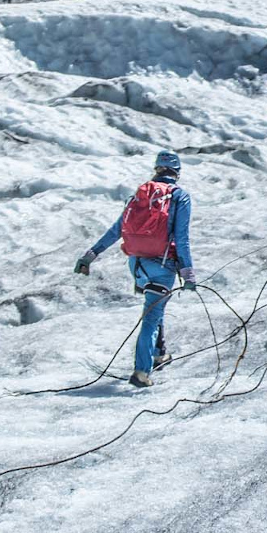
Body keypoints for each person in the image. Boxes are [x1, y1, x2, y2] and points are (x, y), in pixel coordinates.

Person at [74, 151, 195, 388]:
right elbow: (182, 238)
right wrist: (188, 272)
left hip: (137, 263)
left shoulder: (139, 196)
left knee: (154, 305)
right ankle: (141, 371)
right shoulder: (179, 197)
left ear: (156, 169)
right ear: (177, 173)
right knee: (151, 316)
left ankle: (160, 354)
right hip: (162, 265)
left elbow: (117, 229)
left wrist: (91, 255)